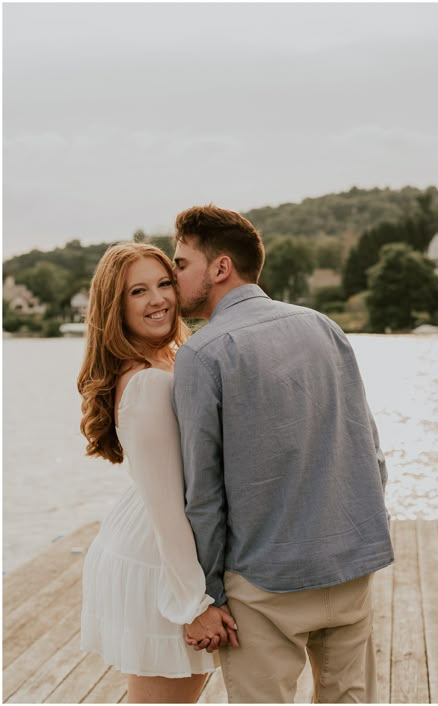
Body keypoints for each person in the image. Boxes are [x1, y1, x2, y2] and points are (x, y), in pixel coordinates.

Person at [172, 205, 395, 704]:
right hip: (351, 568)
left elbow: (202, 494)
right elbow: (370, 447)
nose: (174, 275)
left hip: (265, 583)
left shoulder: (202, 353)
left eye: (182, 263)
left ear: (220, 267)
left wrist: (206, 595)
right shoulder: (324, 326)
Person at [77, 242, 238, 704]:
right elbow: (169, 508)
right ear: (115, 306)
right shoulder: (146, 383)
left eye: (164, 283)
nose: (159, 300)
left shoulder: (174, 357)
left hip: (162, 546)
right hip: (158, 558)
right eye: (138, 292)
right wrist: (193, 604)